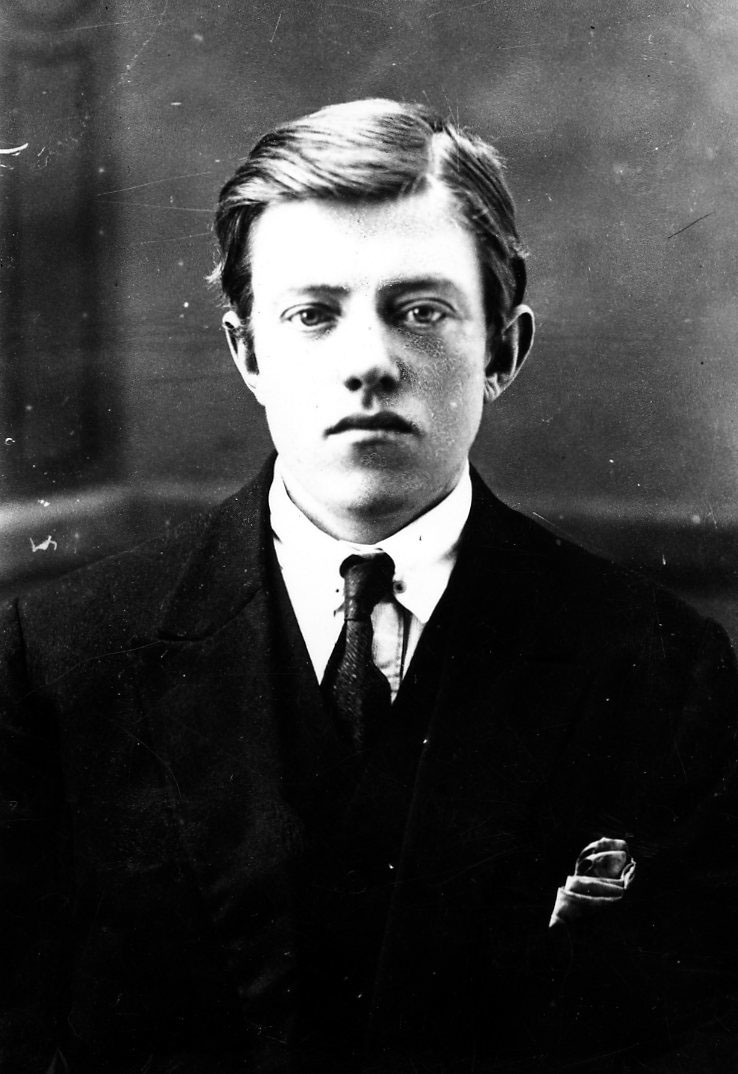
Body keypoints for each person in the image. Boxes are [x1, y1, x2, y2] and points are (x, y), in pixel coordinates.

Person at [1, 98, 737, 1074]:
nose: (369, 365)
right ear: (248, 354)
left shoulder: (663, 670)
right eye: (313, 315)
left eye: (421, 311)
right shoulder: (64, 659)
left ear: (503, 349)